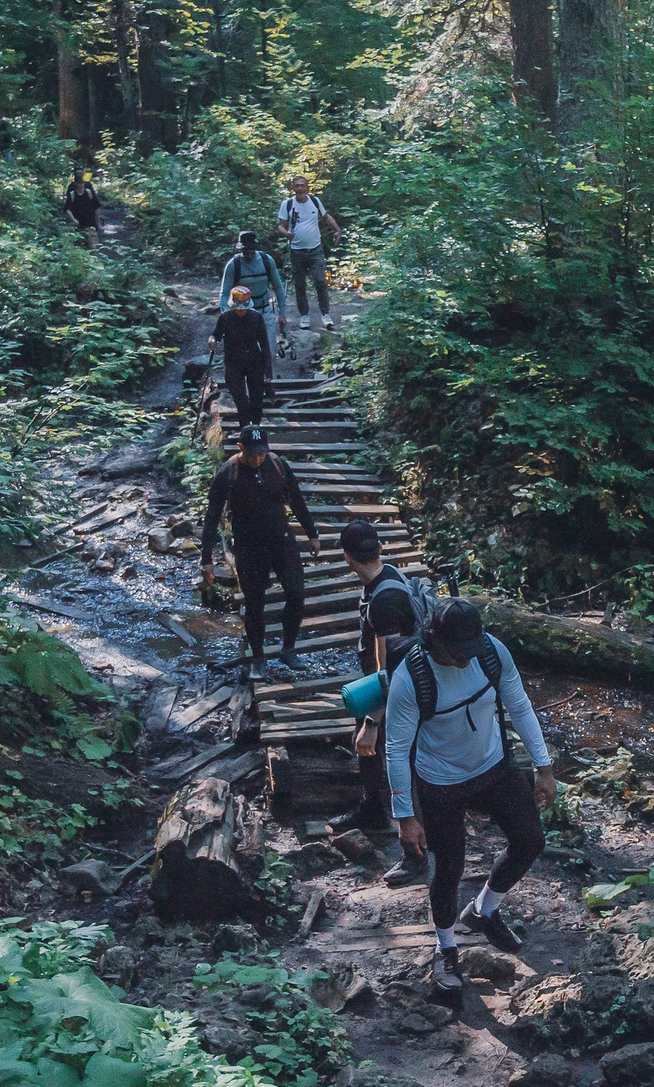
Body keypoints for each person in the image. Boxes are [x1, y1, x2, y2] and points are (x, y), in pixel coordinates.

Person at [384, 599, 556, 1005]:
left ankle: (483, 911)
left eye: (472, 650)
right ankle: (445, 950)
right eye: (459, 652)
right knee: (448, 868)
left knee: (530, 840)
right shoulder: (413, 677)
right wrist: (405, 817)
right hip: (440, 780)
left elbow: (520, 705)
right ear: (435, 641)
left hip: (494, 765)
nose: (466, 661)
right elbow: (396, 748)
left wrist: (544, 767)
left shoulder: (491, 653)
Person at [336, 521, 424, 882]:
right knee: (367, 752)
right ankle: (373, 809)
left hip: (402, 690)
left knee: (400, 765)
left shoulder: (385, 602)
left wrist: (373, 721)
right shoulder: (384, 576)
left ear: (346, 556)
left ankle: (416, 857)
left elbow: (390, 674)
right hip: (392, 680)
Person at [198, 427, 321, 671]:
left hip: (282, 540)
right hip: (249, 547)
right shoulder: (228, 473)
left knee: (296, 593)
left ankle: (289, 649)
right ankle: (258, 656)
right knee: (255, 602)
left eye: (261, 454)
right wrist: (206, 558)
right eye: (252, 454)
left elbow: (296, 499)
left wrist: (312, 533)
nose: (257, 459)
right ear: (241, 448)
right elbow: (212, 516)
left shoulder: (277, 466)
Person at [277, 176, 340, 334]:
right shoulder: (288, 204)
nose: (300, 188)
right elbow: (280, 226)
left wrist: (337, 229)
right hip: (297, 251)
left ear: (307, 187)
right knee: (300, 285)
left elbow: (326, 217)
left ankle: (325, 315)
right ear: (293, 188)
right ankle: (304, 315)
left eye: (302, 185)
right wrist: (286, 234)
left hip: (315, 249)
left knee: (320, 282)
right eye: (297, 186)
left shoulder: (315, 201)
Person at [209, 285, 273, 427]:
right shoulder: (225, 318)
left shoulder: (256, 317)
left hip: (254, 362)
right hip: (233, 363)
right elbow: (216, 335)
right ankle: (245, 431)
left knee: (256, 400)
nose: (241, 311)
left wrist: (268, 371)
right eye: (239, 309)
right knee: (241, 401)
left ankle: (256, 429)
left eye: (244, 308)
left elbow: (264, 345)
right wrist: (213, 341)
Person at [216, 230, 288, 347]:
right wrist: (226, 315)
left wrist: (282, 313)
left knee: (269, 350)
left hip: (265, 310)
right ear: (241, 250)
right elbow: (224, 293)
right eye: (246, 252)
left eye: (252, 252)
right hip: (243, 314)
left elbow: (278, 287)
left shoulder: (267, 261)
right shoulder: (233, 265)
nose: (249, 255)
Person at [63, 172, 102, 241]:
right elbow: (67, 209)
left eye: (82, 183)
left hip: (91, 222)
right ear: (75, 184)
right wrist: (74, 220)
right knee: (80, 243)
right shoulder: (72, 194)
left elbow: (96, 207)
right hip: (79, 223)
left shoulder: (89, 192)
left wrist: (98, 223)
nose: (80, 185)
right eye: (78, 183)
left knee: (92, 242)